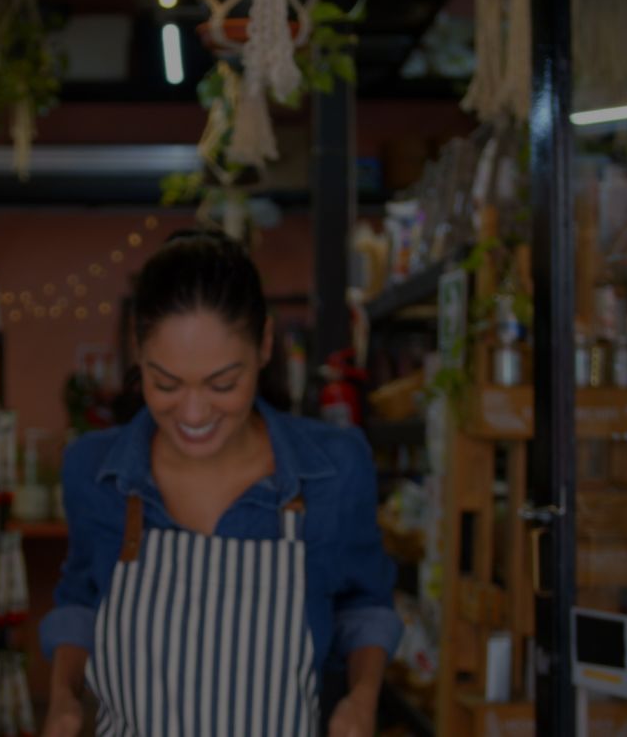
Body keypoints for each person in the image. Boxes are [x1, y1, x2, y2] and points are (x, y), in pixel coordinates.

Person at [39, 231, 401, 737]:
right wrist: (62, 699)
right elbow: (80, 601)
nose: (193, 414)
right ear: (139, 353)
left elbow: (362, 606)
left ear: (265, 345)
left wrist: (361, 700)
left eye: (222, 384)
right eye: (165, 384)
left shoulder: (333, 469)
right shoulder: (94, 470)